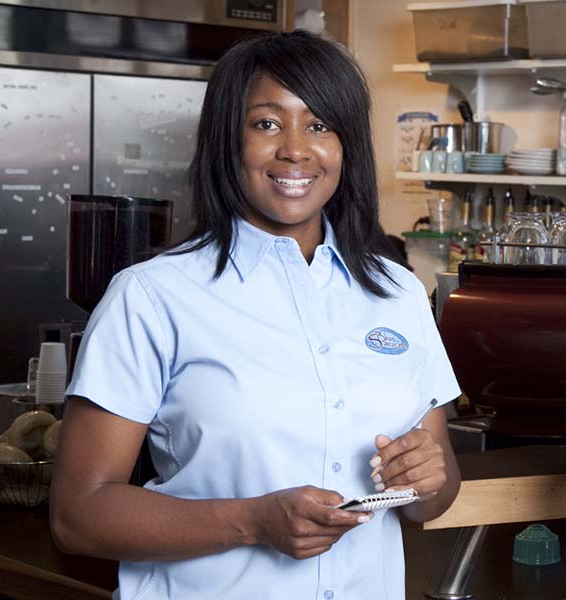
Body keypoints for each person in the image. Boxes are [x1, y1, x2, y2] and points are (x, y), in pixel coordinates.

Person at [50, 30, 461, 600]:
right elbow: (77, 514)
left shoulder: (398, 292)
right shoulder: (152, 296)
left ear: (346, 146)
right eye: (267, 123)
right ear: (228, 139)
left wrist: (427, 480)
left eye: (319, 125)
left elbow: (430, 498)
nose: (295, 149)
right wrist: (253, 521)